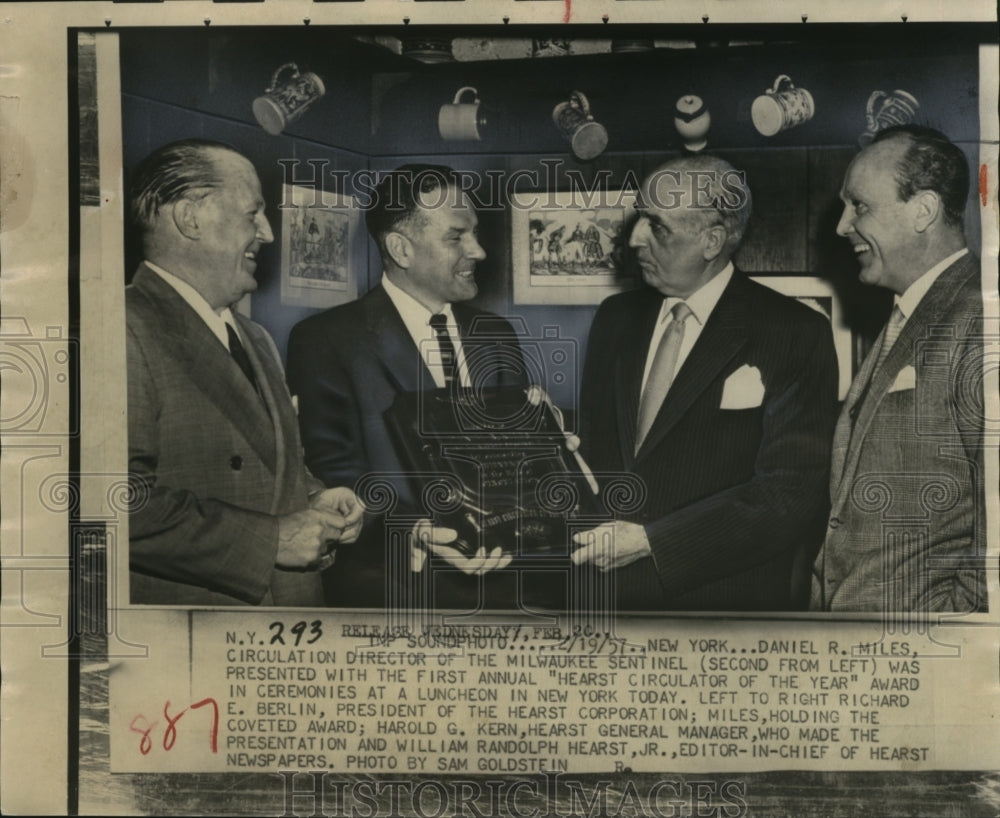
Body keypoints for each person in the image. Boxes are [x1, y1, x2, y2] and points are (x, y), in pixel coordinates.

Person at [573, 155, 840, 611]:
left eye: (656, 226)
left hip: (720, 607)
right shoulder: (615, 319)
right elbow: (596, 455)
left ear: (712, 240)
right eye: (639, 218)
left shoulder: (794, 332)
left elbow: (788, 496)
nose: (635, 238)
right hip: (604, 600)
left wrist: (651, 542)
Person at [126, 139, 364, 606]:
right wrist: (271, 541)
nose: (269, 233)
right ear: (190, 217)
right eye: (252, 214)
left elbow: (268, 467)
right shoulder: (121, 328)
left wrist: (315, 497)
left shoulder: (255, 337)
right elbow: (114, 504)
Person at [287, 165, 526, 608]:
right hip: (393, 587)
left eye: (475, 233)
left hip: (502, 584)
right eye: (457, 237)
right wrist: (412, 528)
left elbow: (514, 460)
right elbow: (331, 471)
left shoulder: (497, 334)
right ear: (401, 248)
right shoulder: (326, 340)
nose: (478, 251)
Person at [811, 125, 986, 613]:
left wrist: (953, 628)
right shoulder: (906, 312)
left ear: (923, 211)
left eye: (860, 206)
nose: (842, 225)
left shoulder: (978, 318)